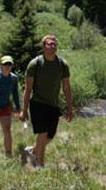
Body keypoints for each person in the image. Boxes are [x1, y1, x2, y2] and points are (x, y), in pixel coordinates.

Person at [19, 35, 73, 168]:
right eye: (49, 44)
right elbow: (28, 89)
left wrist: (70, 108)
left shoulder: (62, 64)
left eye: (54, 44)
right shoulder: (35, 64)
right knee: (42, 133)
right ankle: (40, 164)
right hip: (38, 103)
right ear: (43, 47)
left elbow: (66, 87)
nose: (52, 46)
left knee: (50, 135)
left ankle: (33, 150)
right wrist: (24, 110)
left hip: (53, 104)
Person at [0, 55, 21, 158]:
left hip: (5, 107)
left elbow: (15, 94)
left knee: (7, 130)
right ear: (1, 66)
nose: (7, 66)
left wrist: (18, 108)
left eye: (9, 64)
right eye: (5, 64)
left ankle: (8, 155)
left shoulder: (13, 78)